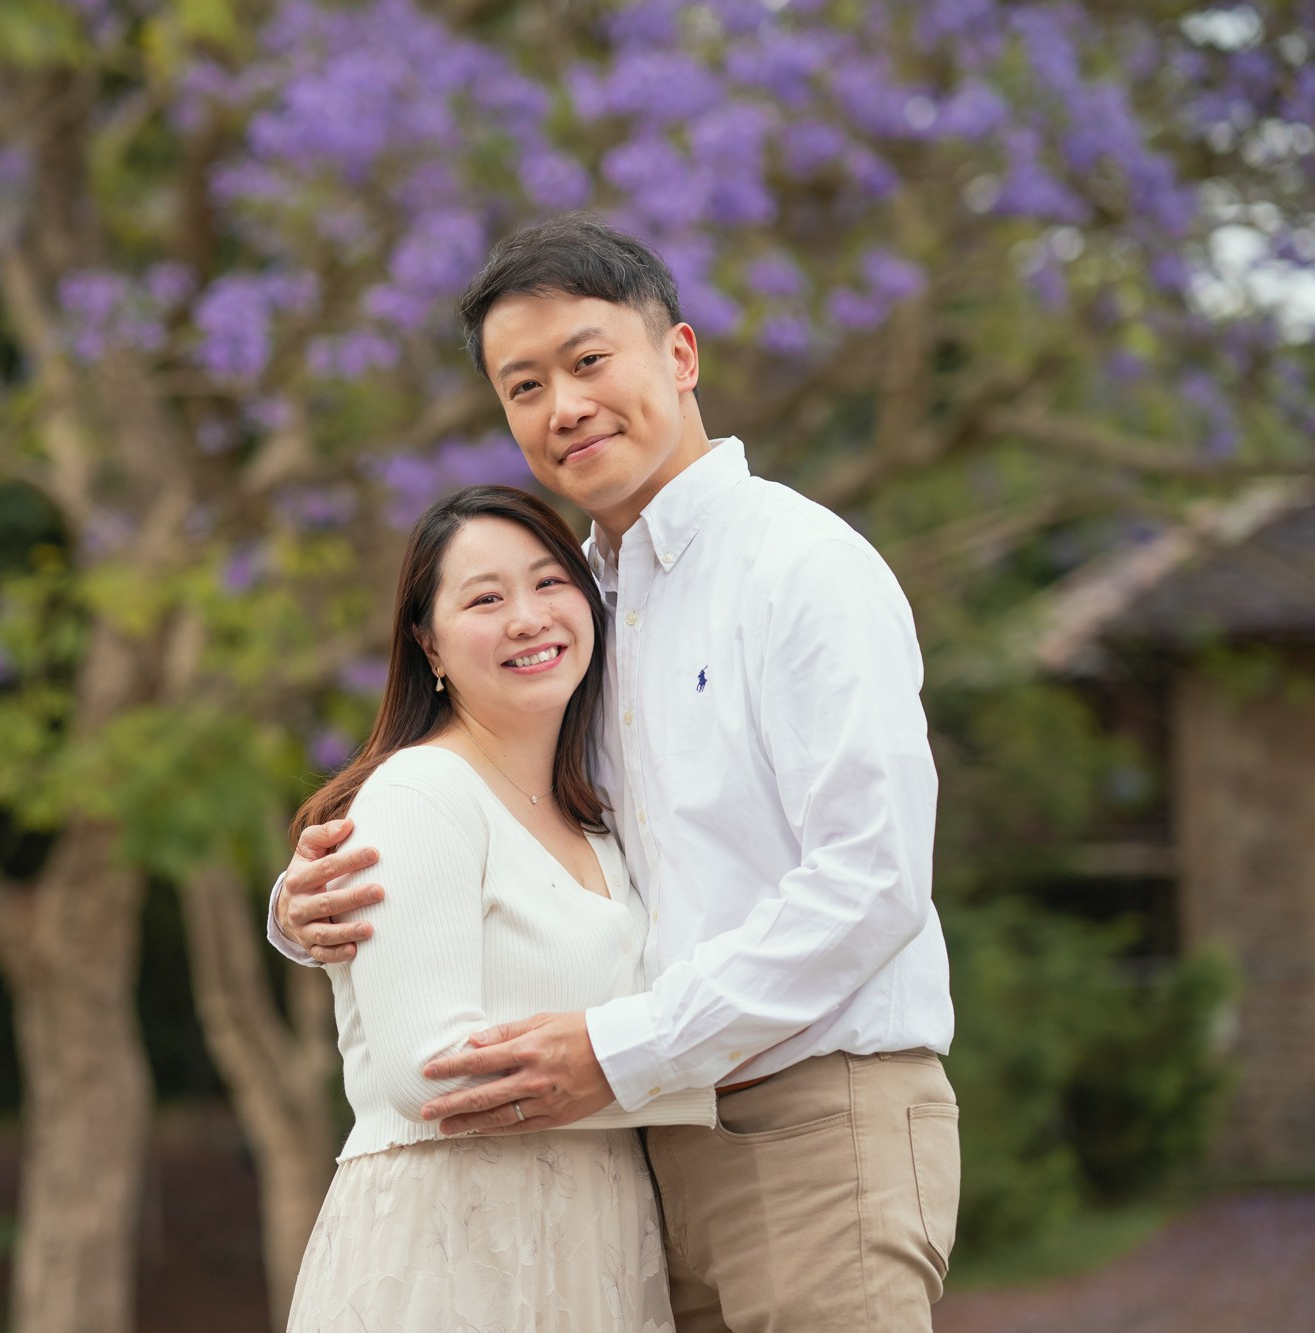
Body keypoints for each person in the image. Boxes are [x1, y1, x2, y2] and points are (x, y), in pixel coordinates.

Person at [271, 213, 960, 1332]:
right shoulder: (582, 608)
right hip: (637, 1155)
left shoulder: (798, 566)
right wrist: (311, 907)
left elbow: (870, 879)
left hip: (808, 1119)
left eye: (588, 360)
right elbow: (509, 830)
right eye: (523, 384)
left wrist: (619, 1049)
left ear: (678, 356)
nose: (563, 405)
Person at [281, 484, 714, 1332]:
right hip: (453, 1251)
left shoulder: (598, 820)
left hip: (597, 1243)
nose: (527, 617)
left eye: (550, 582)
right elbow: (427, 1071)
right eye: (485, 598)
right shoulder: (422, 789)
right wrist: (699, 1073)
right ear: (428, 643)